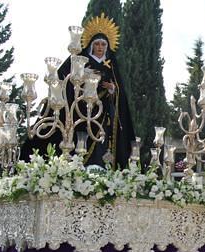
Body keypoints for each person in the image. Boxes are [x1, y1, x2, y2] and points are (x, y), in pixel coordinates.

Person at [21, 13, 136, 169]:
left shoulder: (111, 67)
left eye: (103, 45)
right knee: (75, 143)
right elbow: (61, 80)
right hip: (77, 113)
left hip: (100, 116)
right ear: (91, 45)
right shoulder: (79, 61)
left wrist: (112, 89)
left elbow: (119, 95)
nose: (100, 48)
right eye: (97, 44)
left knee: (100, 148)